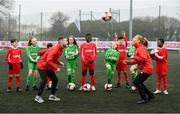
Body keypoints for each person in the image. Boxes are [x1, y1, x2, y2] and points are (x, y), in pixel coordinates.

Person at [34, 37, 67, 103]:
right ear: (61, 42)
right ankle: (37, 97)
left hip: (47, 66)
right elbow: (48, 60)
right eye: (66, 41)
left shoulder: (61, 49)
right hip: (42, 66)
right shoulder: (55, 49)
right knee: (45, 80)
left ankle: (52, 96)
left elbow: (54, 59)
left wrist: (59, 63)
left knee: (55, 79)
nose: (67, 42)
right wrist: (56, 68)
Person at [124, 35, 155, 104]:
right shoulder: (138, 48)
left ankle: (144, 98)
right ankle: (150, 95)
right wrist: (128, 62)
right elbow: (138, 60)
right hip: (147, 69)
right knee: (138, 82)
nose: (132, 40)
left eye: (134, 39)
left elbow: (143, 59)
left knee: (136, 82)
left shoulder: (140, 48)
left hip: (147, 69)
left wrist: (134, 57)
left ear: (138, 41)